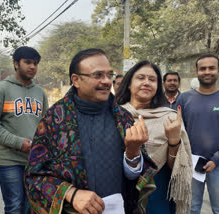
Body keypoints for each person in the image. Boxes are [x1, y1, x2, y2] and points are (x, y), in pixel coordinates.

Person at [24, 49, 158, 214]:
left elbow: (134, 179)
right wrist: (71, 194)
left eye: (109, 75)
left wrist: (133, 152)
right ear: (76, 80)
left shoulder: (124, 119)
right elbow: (35, 175)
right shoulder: (53, 120)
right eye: (98, 75)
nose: (107, 81)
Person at [116, 61, 193, 214]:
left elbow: (176, 167)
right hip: (117, 189)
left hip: (156, 192)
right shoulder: (113, 115)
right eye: (141, 78)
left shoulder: (170, 118)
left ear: (158, 86)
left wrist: (173, 140)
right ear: (129, 84)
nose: (146, 83)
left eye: (152, 79)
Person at [0, 46, 49, 214]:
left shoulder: (40, 92)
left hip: (34, 159)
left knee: (30, 205)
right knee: (14, 205)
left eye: (35, 63)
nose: (32, 67)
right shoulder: (1, 89)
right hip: (8, 159)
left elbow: (45, 125)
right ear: (16, 64)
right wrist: (18, 143)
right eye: (27, 62)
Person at [177, 54, 219, 214]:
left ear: (218, 70)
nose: (207, 72)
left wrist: (216, 159)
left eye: (211, 68)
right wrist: (184, 160)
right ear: (196, 71)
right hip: (190, 165)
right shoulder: (184, 99)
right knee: (190, 209)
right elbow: (177, 132)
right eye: (203, 68)